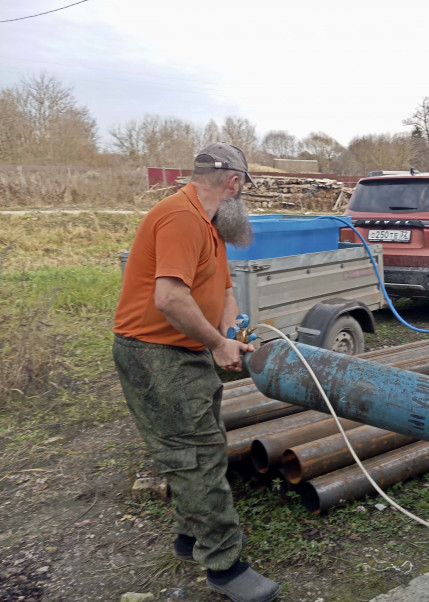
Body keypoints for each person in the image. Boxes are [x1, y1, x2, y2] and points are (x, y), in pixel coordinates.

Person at [112, 143, 281, 602]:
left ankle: (191, 537)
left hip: (187, 351)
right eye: (243, 185)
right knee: (195, 456)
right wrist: (217, 343)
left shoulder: (210, 224)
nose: (243, 193)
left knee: (202, 442)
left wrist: (230, 330)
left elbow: (225, 288)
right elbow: (168, 298)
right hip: (155, 354)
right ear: (232, 183)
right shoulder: (181, 219)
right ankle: (224, 567)